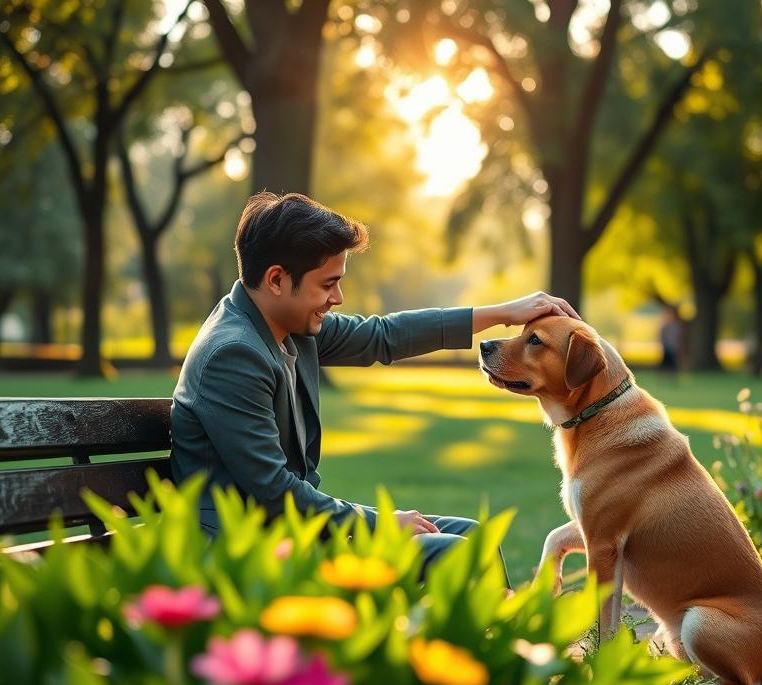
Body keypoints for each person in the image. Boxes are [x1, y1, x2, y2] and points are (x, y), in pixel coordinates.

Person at [170, 191, 579, 578]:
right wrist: (379, 523)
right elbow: (274, 490)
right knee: (456, 549)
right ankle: (489, 644)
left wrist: (503, 312)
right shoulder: (233, 354)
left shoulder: (285, 325)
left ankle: (492, 643)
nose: (338, 298)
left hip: (295, 530)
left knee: (472, 534)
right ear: (277, 279)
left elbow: (383, 335)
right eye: (328, 284)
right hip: (247, 554)